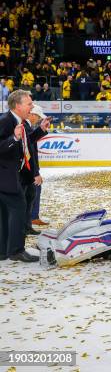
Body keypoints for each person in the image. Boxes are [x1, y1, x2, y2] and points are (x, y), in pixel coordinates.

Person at [0, 90, 47, 262]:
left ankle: (4, 251)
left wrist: (41, 130)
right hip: (6, 177)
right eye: (29, 104)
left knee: (5, 214)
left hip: (13, 177)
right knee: (19, 209)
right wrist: (14, 137)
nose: (32, 107)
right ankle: (16, 251)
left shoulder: (18, 121)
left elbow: (26, 143)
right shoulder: (6, 121)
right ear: (18, 106)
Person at [22, 105, 49, 235]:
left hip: (29, 169)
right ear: (32, 115)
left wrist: (41, 129)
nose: (38, 119)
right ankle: (26, 225)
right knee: (28, 198)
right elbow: (29, 151)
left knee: (30, 196)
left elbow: (30, 144)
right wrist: (35, 172)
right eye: (38, 117)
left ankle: (27, 225)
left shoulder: (28, 127)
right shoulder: (24, 126)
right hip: (28, 171)